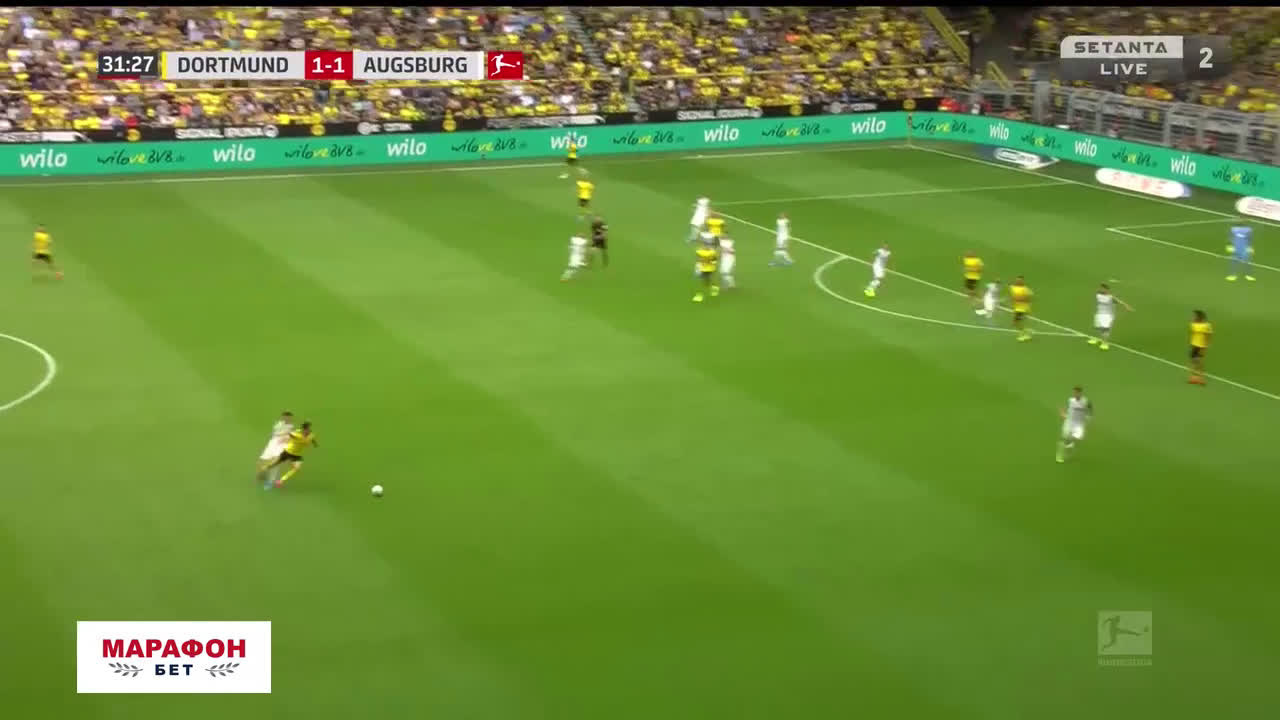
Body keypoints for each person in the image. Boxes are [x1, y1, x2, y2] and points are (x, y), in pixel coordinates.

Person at [263, 421, 318, 488]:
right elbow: (289, 434)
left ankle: (281, 481)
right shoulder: (296, 434)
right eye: (307, 429)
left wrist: (315, 444)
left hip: (297, 455)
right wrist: (280, 437)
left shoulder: (311, 435)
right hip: (287, 452)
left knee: (296, 468)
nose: (309, 430)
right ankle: (264, 469)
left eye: (309, 428)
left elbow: (312, 438)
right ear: (304, 429)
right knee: (274, 463)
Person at [1087, 283, 1133, 350]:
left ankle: (1105, 343)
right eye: (1101, 288)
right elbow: (1099, 292)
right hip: (1099, 313)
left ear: (1107, 290)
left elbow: (1120, 302)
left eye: (1103, 288)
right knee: (1098, 328)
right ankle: (1096, 339)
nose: (1101, 289)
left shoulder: (1111, 298)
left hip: (1107, 315)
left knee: (1105, 330)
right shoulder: (1098, 295)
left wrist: (1127, 307)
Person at [1055, 386, 1093, 463]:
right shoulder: (1071, 400)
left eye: (1077, 393)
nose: (1075, 394)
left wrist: (1089, 416)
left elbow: (1090, 408)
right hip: (1069, 422)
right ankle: (1059, 455)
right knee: (1064, 438)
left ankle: (1070, 444)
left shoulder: (1085, 401)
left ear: (1080, 393)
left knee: (1077, 439)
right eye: (1074, 392)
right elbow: (1064, 407)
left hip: (1079, 424)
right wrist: (1062, 413)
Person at [256, 411, 295, 480]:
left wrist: (287, 438)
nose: (288, 418)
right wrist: (284, 435)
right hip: (274, 442)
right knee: (264, 459)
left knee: (276, 460)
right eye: (286, 417)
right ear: (283, 417)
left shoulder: (291, 426)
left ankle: (271, 479)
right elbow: (275, 434)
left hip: (282, 445)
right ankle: (262, 473)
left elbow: (289, 436)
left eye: (289, 417)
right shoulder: (278, 424)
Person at [1188, 310, 1213, 385]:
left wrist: (1206, 345)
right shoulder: (1193, 325)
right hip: (1194, 345)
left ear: (1199, 317)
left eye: (1195, 316)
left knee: (1199, 361)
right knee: (1193, 361)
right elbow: (1193, 334)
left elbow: (1208, 335)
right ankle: (1193, 377)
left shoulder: (1207, 326)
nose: (1193, 317)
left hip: (1201, 346)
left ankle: (1201, 378)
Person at [693, 237, 719, 303]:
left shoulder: (712, 252)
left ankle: (700, 295)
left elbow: (715, 260)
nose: (705, 246)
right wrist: (699, 264)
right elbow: (698, 259)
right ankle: (713, 288)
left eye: (707, 245)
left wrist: (711, 262)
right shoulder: (700, 252)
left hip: (710, 268)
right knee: (703, 281)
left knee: (707, 281)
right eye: (704, 245)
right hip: (702, 268)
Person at [1009, 275, 1033, 341]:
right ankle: (1027, 332)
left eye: (1020, 280)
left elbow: (1028, 298)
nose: (1018, 281)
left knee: (1016, 322)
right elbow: (1013, 296)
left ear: (1022, 281)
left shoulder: (1025, 289)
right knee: (1016, 323)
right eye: (1017, 280)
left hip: (1022, 308)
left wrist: (1028, 307)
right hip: (1017, 308)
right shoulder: (1013, 288)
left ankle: (1024, 335)